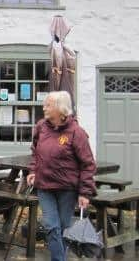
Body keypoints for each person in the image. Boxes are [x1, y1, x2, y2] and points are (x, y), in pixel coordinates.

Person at [26, 91, 96, 261]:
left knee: (63, 228)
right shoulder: (41, 127)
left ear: (60, 108)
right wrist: (33, 170)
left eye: (48, 105)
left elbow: (88, 164)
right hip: (44, 186)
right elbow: (35, 152)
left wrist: (85, 193)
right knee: (51, 226)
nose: (44, 107)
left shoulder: (76, 132)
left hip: (67, 189)